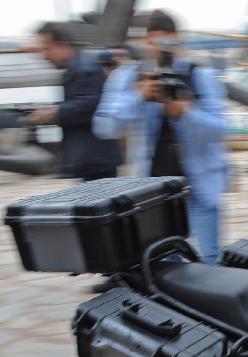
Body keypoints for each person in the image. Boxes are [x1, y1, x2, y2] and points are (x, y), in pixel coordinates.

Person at [93, 10, 228, 264]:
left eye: (169, 42)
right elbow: (104, 127)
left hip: (199, 187)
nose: (164, 50)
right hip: (153, 192)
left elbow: (220, 131)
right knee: (162, 263)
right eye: (157, 42)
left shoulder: (200, 76)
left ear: (179, 41)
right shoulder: (131, 78)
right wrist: (138, 96)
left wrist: (186, 112)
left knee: (210, 261)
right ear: (147, 42)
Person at [26, 22, 122, 182]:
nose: (44, 56)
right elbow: (80, 101)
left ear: (63, 45)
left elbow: (91, 104)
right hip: (92, 161)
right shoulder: (78, 68)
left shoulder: (85, 69)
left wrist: (55, 112)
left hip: (96, 160)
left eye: (46, 49)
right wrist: (55, 109)